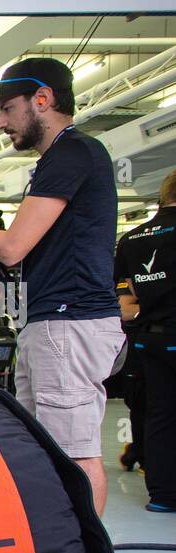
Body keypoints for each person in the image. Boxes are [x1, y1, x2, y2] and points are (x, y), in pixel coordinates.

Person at [0, 57, 123, 516]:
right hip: (50, 322)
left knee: (75, 453)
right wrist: (6, 254)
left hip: (68, 325)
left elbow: (13, 244)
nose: (1, 122)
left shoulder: (71, 152)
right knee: (49, 450)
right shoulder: (60, 159)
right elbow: (30, 246)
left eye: (9, 109)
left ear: (43, 100)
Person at [114, 167, 176, 513]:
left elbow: (129, 290)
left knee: (159, 415)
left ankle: (163, 495)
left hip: (147, 336)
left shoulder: (132, 238)